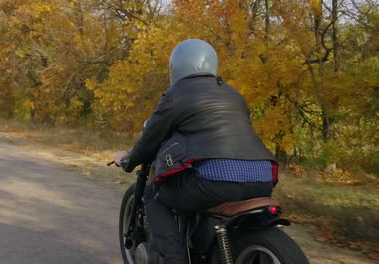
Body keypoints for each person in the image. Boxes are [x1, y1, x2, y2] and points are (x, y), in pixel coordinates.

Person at [114, 39, 277, 264]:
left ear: (176, 67)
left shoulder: (176, 93)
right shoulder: (234, 95)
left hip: (215, 183)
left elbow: (150, 139)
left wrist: (127, 160)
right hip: (263, 178)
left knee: (155, 195)